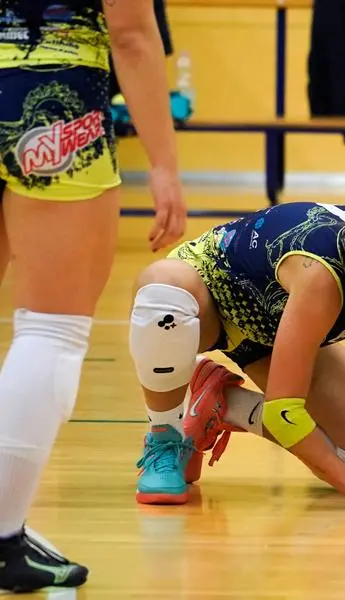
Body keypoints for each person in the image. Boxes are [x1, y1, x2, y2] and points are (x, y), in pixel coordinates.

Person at [129, 164, 345, 509]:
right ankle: (164, 437)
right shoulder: (321, 274)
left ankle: (226, 405)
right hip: (212, 297)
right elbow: (283, 410)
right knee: (164, 298)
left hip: (273, 330)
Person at [0, 0, 186, 593]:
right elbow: (130, 33)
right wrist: (164, 165)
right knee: (50, 329)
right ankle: (2, 534)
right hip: (52, 96)